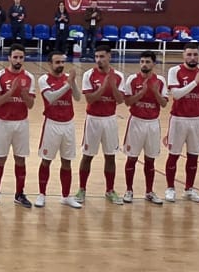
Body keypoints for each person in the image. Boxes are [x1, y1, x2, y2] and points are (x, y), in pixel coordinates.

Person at [0, 45, 36, 208]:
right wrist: (12, 91)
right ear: (9, 58)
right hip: (3, 122)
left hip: (22, 123)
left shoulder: (29, 77)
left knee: (20, 159)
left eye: (21, 57)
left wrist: (23, 94)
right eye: (15, 57)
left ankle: (19, 194)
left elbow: (30, 105)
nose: (18, 60)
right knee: (0, 159)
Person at [77, 43, 123, 204]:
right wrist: (104, 86)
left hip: (110, 120)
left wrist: (113, 86)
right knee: (87, 156)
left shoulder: (118, 76)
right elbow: (90, 99)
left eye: (102, 56)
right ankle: (82, 189)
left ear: (109, 56)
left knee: (110, 156)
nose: (99, 60)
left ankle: (110, 190)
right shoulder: (89, 75)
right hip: (93, 119)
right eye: (96, 57)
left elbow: (120, 100)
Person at [34, 51, 81, 208]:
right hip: (52, 124)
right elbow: (51, 97)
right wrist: (68, 83)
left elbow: (78, 97)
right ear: (50, 64)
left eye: (62, 62)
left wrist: (73, 83)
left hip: (68, 124)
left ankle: (66, 196)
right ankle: (41, 194)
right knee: (46, 160)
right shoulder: (44, 79)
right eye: (57, 62)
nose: (61, 65)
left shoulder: (68, 78)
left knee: (67, 161)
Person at [163, 45, 199, 203]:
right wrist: (196, 82)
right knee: (174, 154)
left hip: (197, 120)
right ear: (183, 55)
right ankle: (170, 188)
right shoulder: (175, 71)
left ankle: (189, 189)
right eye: (189, 54)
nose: (192, 57)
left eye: (195, 54)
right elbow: (176, 94)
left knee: (193, 155)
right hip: (178, 119)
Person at [119, 52, 166, 204]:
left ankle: (149, 192)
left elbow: (164, 103)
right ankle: (129, 190)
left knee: (150, 159)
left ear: (154, 64)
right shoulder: (132, 79)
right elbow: (127, 102)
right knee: (132, 158)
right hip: (136, 122)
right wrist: (141, 93)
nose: (144, 64)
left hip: (153, 124)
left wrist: (155, 92)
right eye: (142, 61)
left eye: (147, 61)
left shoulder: (160, 80)